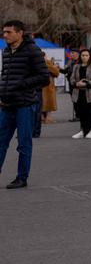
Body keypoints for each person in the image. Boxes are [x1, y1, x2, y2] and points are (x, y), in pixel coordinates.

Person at [0, 21, 49, 188]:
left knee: (24, 143)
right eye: (4, 32)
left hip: (25, 105)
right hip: (6, 104)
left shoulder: (33, 51)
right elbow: (5, 75)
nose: (5, 35)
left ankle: (22, 178)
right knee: (1, 141)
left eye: (8, 32)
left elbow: (44, 77)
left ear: (20, 33)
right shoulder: (6, 51)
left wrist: (21, 84)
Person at [69, 49, 91, 139]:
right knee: (82, 113)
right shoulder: (76, 66)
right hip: (79, 93)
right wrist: (76, 83)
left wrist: (85, 84)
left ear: (89, 56)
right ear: (80, 56)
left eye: (86, 55)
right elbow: (72, 78)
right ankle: (83, 130)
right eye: (83, 55)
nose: (84, 57)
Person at [41, 56, 60, 125]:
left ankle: (42, 117)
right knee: (49, 101)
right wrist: (55, 67)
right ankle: (48, 118)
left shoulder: (33, 61)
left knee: (41, 100)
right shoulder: (46, 62)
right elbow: (55, 72)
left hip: (39, 83)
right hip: (48, 84)